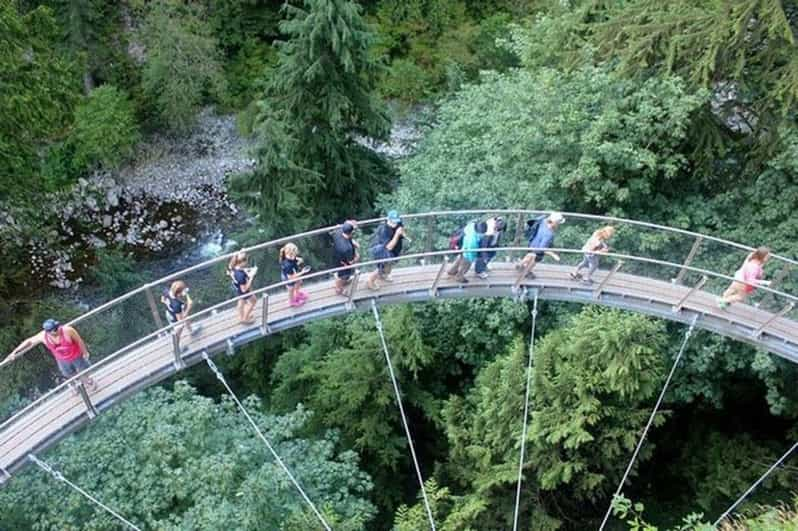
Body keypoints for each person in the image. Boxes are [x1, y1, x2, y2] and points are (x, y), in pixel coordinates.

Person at [4, 320, 96, 393]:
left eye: (56, 327)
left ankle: (87, 382)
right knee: (68, 374)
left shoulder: (67, 330)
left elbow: (79, 340)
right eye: (54, 329)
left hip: (76, 356)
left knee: (83, 371)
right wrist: (14, 352)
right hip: (62, 360)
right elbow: (29, 341)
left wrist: (85, 352)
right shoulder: (43, 336)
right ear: (48, 332)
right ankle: (74, 385)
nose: (57, 329)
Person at [516, 212, 565, 278]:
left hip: (532, 243)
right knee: (536, 259)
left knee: (529, 254)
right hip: (537, 250)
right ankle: (527, 272)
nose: (558, 225)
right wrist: (553, 255)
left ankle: (520, 264)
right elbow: (542, 249)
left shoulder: (543, 221)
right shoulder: (549, 234)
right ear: (554, 222)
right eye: (558, 223)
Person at [367, 210, 407, 290]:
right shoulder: (384, 230)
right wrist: (397, 234)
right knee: (384, 267)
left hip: (394, 250)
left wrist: (403, 233)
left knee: (388, 267)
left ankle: (383, 276)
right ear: (388, 220)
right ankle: (370, 281)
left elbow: (402, 230)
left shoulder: (398, 223)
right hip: (382, 250)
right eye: (393, 222)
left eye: (396, 222)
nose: (395, 224)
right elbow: (389, 247)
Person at [161, 280, 200, 346]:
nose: (184, 291)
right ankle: (176, 346)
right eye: (183, 290)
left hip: (169, 312)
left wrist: (168, 305)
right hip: (174, 318)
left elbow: (162, 300)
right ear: (178, 294)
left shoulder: (166, 291)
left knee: (186, 318)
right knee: (179, 329)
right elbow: (181, 320)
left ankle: (191, 331)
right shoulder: (176, 304)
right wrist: (189, 307)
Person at [228, 251, 258, 323]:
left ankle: (241, 317)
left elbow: (239, 270)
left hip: (238, 288)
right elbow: (244, 289)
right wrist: (252, 276)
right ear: (242, 262)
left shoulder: (233, 267)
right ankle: (245, 318)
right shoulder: (240, 275)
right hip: (244, 291)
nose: (247, 263)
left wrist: (247, 270)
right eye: (246, 261)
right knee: (253, 301)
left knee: (241, 301)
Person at [333, 221, 360, 295]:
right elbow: (351, 262)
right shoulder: (347, 248)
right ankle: (339, 289)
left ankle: (344, 281)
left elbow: (339, 227)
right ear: (351, 232)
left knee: (343, 275)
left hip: (336, 257)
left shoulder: (338, 233)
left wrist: (353, 242)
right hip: (344, 264)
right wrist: (357, 257)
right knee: (342, 276)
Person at [280, 243, 311, 307]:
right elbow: (291, 277)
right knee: (291, 289)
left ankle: (297, 293)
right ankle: (291, 301)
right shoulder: (287, 265)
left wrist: (298, 260)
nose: (296, 254)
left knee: (299, 281)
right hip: (288, 277)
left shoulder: (290, 257)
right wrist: (302, 272)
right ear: (291, 253)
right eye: (295, 253)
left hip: (292, 273)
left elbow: (294, 260)